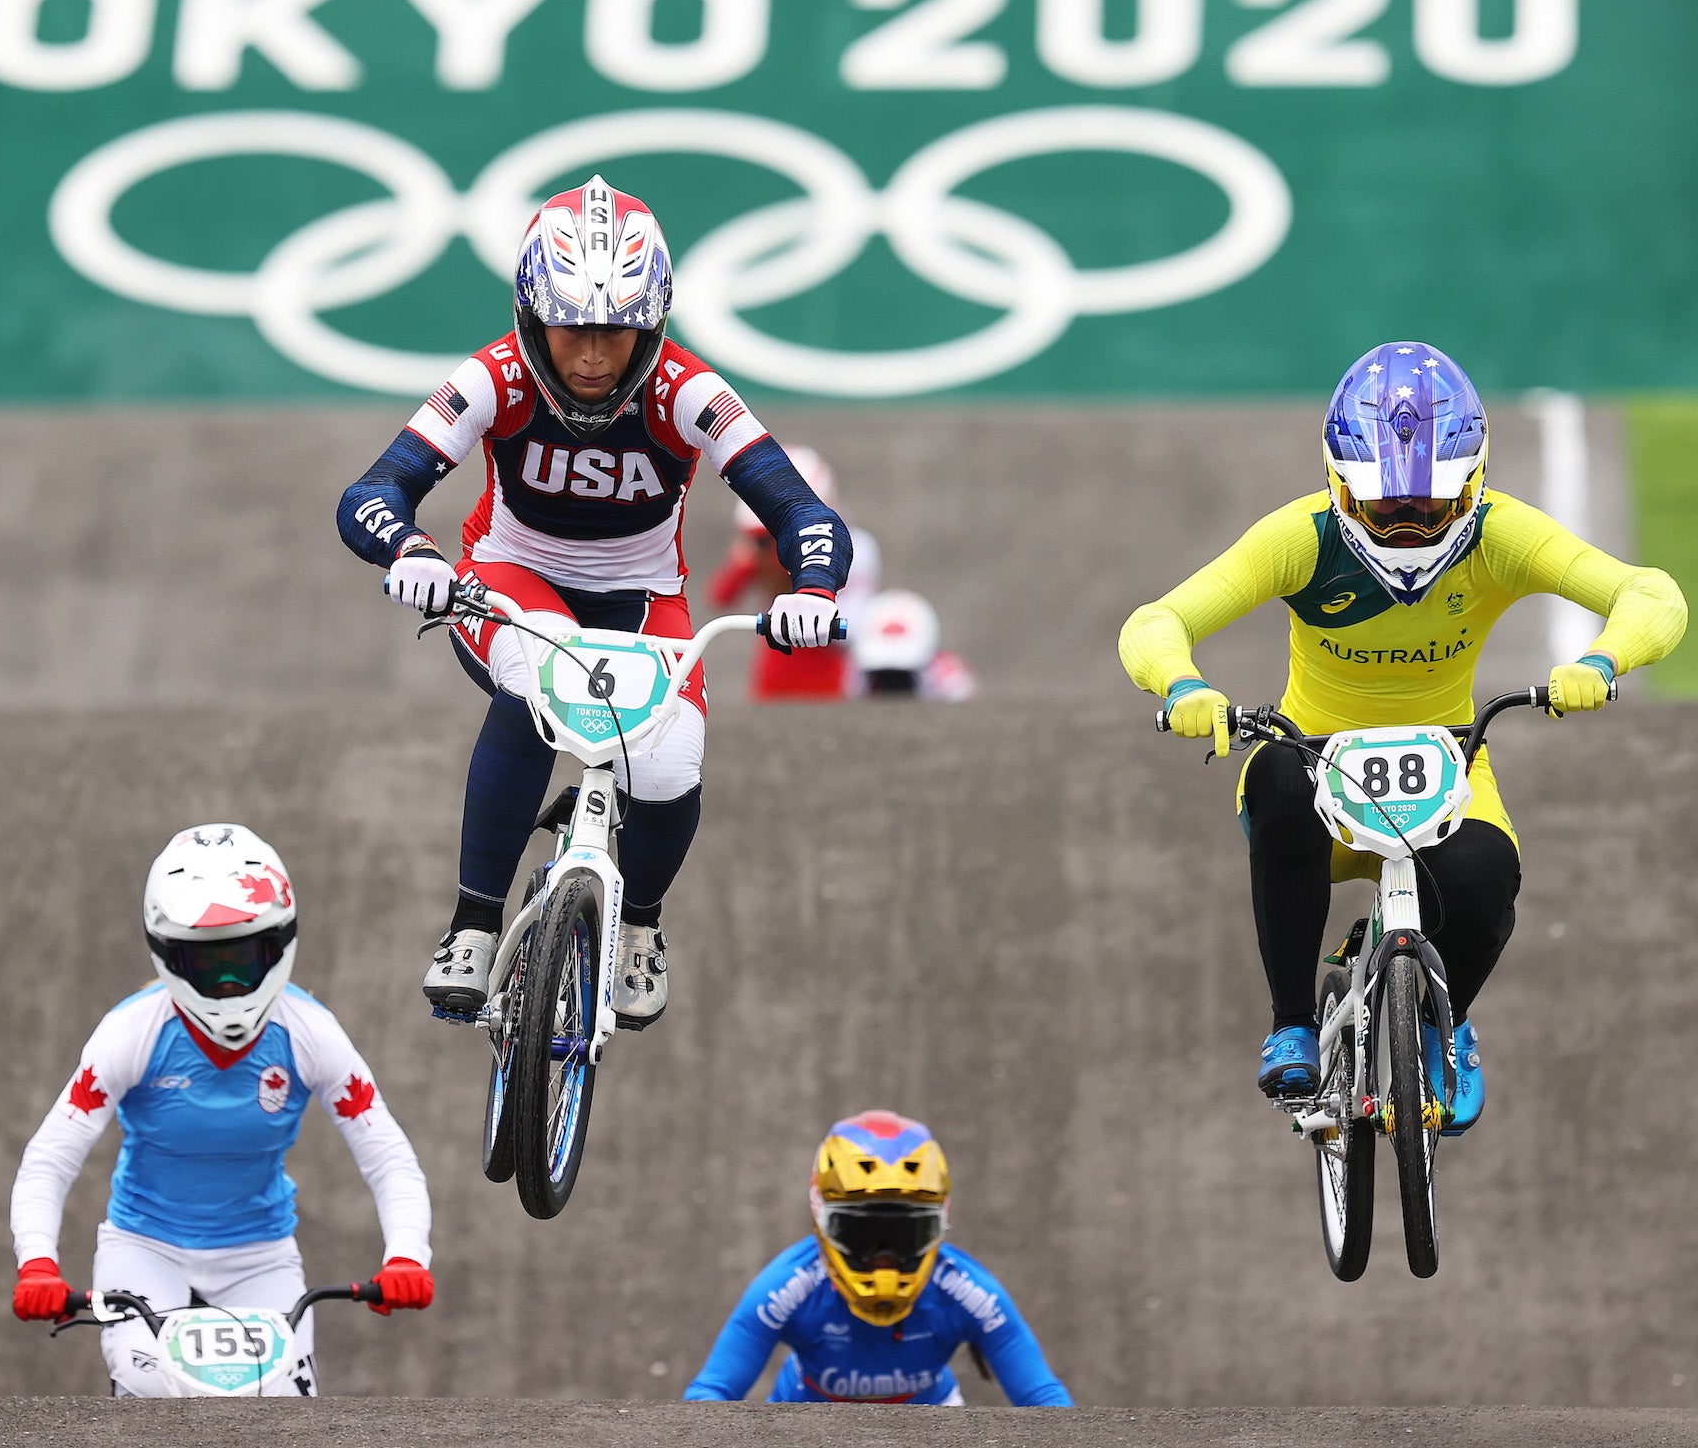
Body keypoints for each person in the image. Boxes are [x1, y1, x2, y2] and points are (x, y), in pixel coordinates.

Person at [1120, 344, 1686, 1128]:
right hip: (1314, 765)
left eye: (1432, 508)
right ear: (1340, 486)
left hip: (1447, 765)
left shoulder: (1501, 534)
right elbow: (1159, 621)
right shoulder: (1301, 537)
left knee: (1488, 878)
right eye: (1385, 509)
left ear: (1474, 485)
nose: (1410, 528)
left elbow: (1651, 594)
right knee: (1279, 782)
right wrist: (1184, 685)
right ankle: (1292, 1022)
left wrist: (1602, 658)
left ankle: (1444, 1024)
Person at [338, 174, 851, 1029]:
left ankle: (642, 922)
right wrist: (410, 548)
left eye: (616, 333)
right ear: (533, 318)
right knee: (533, 666)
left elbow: (800, 509)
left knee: (669, 765)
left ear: (651, 327)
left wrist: (815, 588)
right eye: (572, 328)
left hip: (645, 599)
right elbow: (372, 490)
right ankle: (473, 922)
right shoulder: (494, 377)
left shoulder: (689, 389)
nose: (589, 356)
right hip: (510, 574)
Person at [8, 824, 433, 1396]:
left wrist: (407, 1256)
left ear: (278, 946)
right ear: (171, 959)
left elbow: (387, 1157)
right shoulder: (130, 1034)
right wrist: (37, 1263)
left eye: (246, 959)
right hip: (144, 1249)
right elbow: (51, 1158)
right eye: (211, 965)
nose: (231, 985)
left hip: (260, 1256)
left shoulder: (310, 1034)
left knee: (283, 1404)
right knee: (150, 1391)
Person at [684, 1111, 1072, 1407]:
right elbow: (711, 1395)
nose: (883, 1260)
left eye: (905, 1235)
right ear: (821, 1221)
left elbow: (1046, 1404)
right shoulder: (787, 1288)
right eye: (862, 1236)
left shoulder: (968, 1292)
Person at [706, 445, 878, 702]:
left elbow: (850, 629)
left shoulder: (856, 548)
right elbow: (719, 597)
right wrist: (747, 559)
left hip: (829, 678)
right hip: (773, 673)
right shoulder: (760, 550)